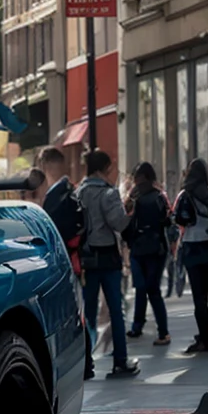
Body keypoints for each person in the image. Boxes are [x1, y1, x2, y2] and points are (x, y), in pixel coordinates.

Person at [78, 148, 138, 378]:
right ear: (104, 169)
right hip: (107, 258)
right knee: (115, 309)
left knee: (89, 312)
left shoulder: (79, 192)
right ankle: (120, 361)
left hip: (86, 258)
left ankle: (85, 362)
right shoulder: (108, 193)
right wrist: (129, 208)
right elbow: (119, 223)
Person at [173, 158, 208, 354]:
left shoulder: (185, 195)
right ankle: (204, 336)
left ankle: (205, 338)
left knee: (198, 297)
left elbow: (177, 219)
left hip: (192, 246)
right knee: (203, 293)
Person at [123, 162, 171, 346]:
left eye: (138, 177)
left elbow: (165, 220)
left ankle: (161, 330)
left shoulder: (156, 197)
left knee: (149, 289)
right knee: (144, 288)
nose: (136, 181)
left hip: (150, 247)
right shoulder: (142, 197)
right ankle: (139, 325)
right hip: (144, 247)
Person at [39, 146, 82, 276]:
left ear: (44, 165)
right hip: (74, 255)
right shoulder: (71, 190)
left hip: (63, 258)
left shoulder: (57, 196)